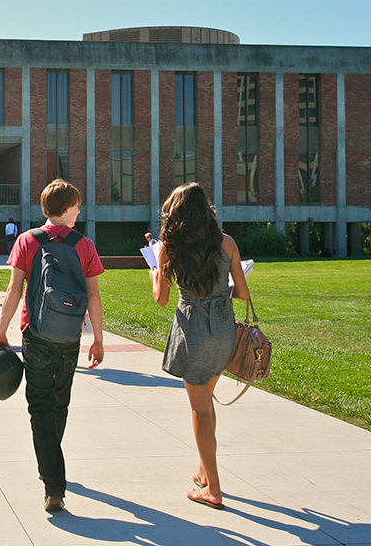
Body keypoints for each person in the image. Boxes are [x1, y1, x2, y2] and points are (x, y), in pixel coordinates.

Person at [0, 178, 105, 512]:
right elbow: (94, 295)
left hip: (36, 334)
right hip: (70, 337)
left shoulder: (27, 241)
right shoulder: (83, 244)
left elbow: (14, 291)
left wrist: (1, 332)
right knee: (60, 402)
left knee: (39, 406)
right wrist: (98, 339)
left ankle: (52, 480)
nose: (80, 211)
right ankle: (52, 463)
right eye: (77, 206)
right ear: (67, 209)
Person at [149, 182, 250, 511]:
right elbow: (244, 294)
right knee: (206, 404)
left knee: (199, 409)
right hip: (222, 329)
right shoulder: (227, 243)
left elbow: (162, 300)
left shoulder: (170, 246)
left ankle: (214, 490)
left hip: (192, 330)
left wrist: (154, 277)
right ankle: (205, 472)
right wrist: (221, 293)